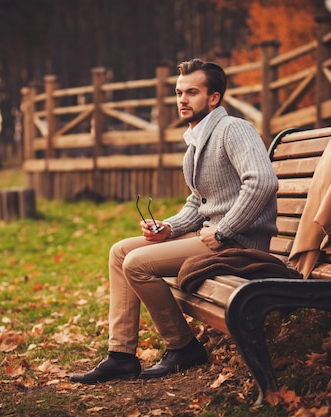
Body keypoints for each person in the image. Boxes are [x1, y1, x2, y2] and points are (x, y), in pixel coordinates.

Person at [70, 58, 279, 383]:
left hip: (238, 244)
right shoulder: (196, 140)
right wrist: (169, 228)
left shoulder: (233, 129)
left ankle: (183, 347)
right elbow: (199, 202)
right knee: (119, 252)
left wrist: (224, 231)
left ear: (214, 98)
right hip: (213, 237)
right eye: (179, 92)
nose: (182, 99)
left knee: (137, 264)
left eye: (192, 92)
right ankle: (121, 355)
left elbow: (263, 181)